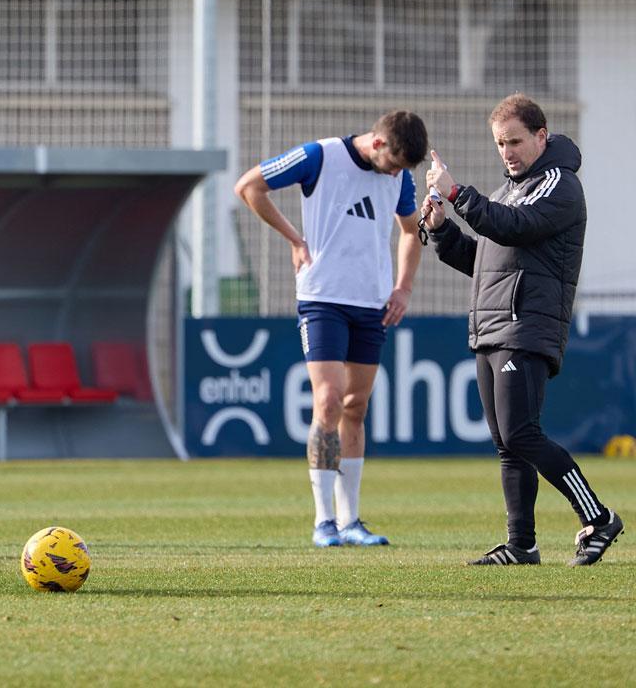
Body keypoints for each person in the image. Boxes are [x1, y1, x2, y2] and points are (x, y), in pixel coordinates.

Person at [422, 94, 621, 566]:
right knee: (507, 444)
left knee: (522, 434)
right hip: (494, 326)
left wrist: (456, 193)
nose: (507, 151)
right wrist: (443, 232)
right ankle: (521, 544)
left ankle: (598, 517)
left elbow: (513, 227)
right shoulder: (511, 188)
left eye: (514, 141)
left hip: (526, 326)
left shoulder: (558, 184)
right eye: (500, 143)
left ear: (541, 136)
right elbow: (489, 263)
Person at [235, 111, 427, 548]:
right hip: (322, 297)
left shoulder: (399, 178)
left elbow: (411, 231)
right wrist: (294, 239)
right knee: (328, 400)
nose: (396, 173)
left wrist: (403, 288)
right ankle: (323, 521)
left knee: (356, 405)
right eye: (394, 162)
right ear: (378, 143)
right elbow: (249, 186)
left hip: (372, 302)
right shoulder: (320, 156)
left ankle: (351, 521)